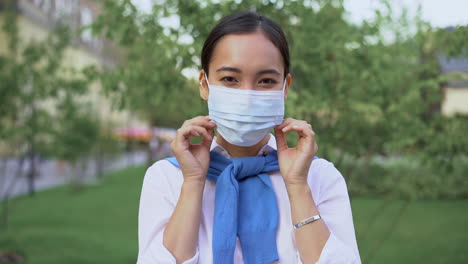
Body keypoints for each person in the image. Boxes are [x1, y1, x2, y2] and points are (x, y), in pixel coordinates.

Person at [137, 11, 361, 264]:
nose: (247, 96)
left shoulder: (318, 176)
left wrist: (298, 186)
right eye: (230, 79)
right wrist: (192, 182)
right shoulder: (167, 178)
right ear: (204, 84)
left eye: (265, 80)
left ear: (285, 88)